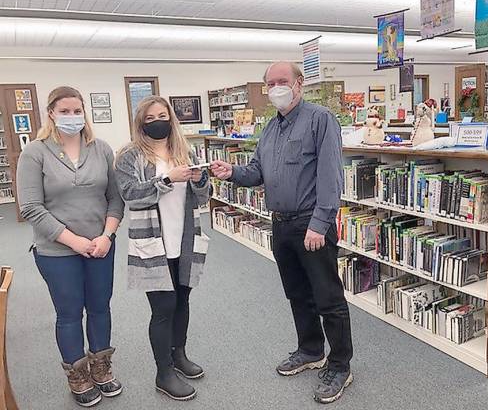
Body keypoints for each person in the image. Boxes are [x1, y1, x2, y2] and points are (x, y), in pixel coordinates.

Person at [211, 61, 353, 404]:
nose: (277, 87)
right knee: (297, 293)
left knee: (328, 298)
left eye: (282, 81)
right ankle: (310, 349)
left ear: (299, 84)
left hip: (310, 224)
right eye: (271, 83)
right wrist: (232, 172)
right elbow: (258, 172)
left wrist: (320, 223)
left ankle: (340, 365)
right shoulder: (269, 129)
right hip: (281, 223)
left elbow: (331, 176)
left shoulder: (320, 119)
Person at [17, 86, 125, 407]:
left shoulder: (101, 149)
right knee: (68, 314)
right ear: (51, 113)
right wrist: (75, 241)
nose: (72, 116)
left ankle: (101, 367)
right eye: (64, 111)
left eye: (77, 110)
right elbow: (31, 208)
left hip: (101, 246)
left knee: (100, 307)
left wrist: (106, 236)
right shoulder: (35, 152)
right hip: (57, 251)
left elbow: (115, 199)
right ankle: (77, 373)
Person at [114, 96, 210, 401]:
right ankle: (163, 372)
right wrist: (167, 178)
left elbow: (203, 198)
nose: (159, 122)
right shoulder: (129, 156)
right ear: (142, 123)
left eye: (163, 115)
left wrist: (199, 179)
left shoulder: (185, 150)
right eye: (151, 117)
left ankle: (179, 355)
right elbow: (132, 196)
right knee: (163, 309)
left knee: (183, 301)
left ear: (172, 118)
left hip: (184, 239)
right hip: (152, 243)